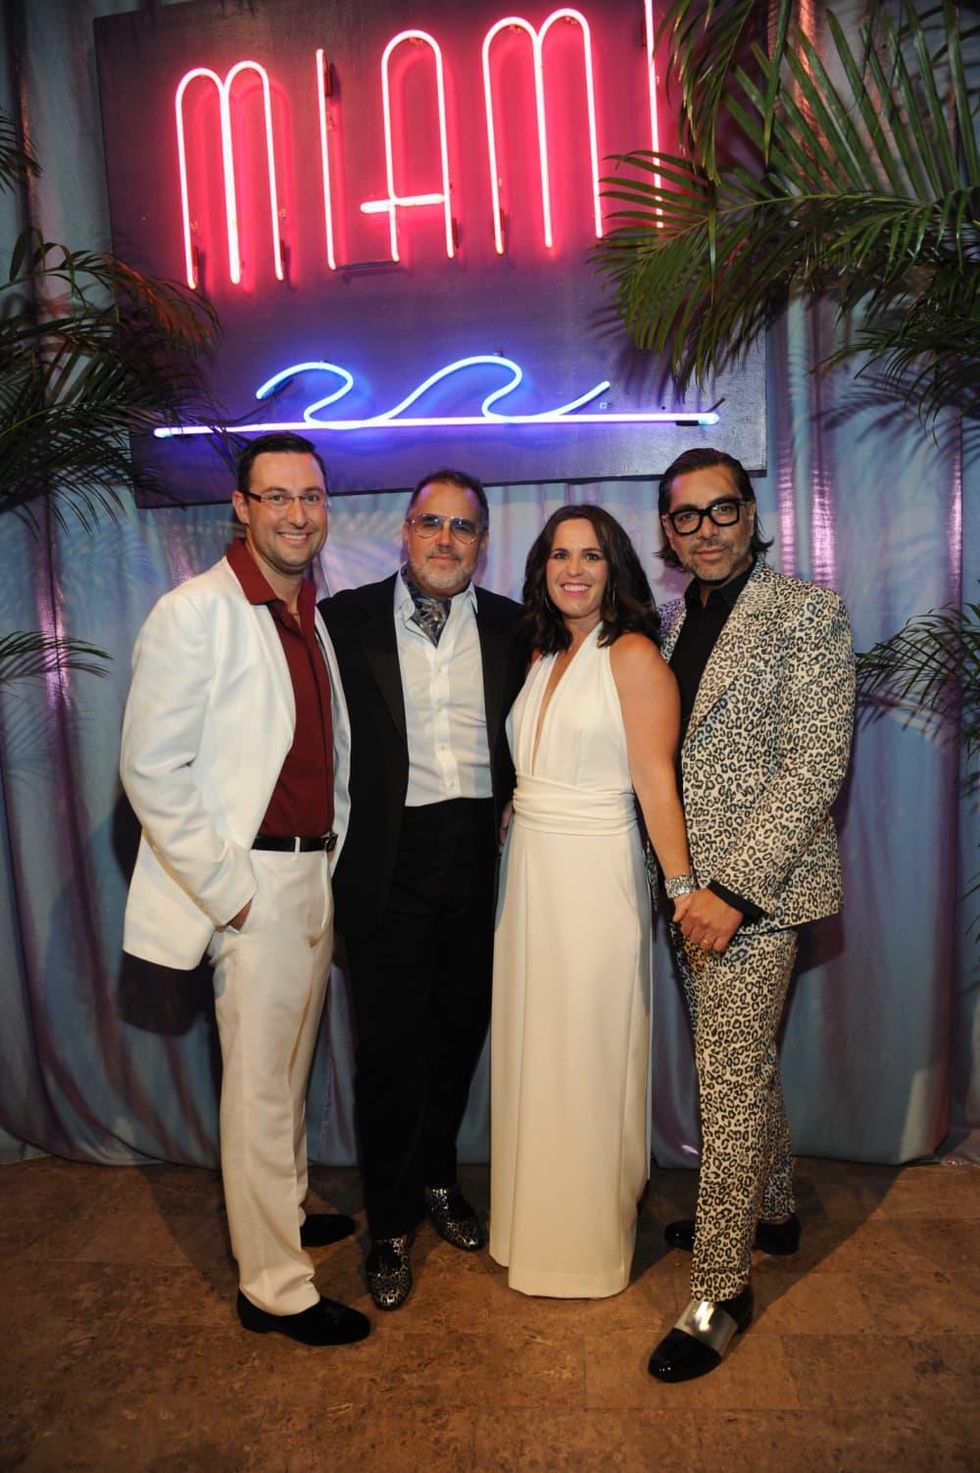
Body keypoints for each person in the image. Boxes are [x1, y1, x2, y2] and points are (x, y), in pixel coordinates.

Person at [120, 431, 369, 1348]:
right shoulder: (197, 611)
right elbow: (150, 769)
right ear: (240, 505)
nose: (297, 514)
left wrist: (318, 866)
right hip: (251, 882)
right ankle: (273, 1287)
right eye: (277, 497)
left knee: (291, 1072)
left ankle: (288, 1208)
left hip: (311, 872)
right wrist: (232, 891)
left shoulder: (307, 612)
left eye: (311, 496)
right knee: (259, 1091)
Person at [648, 447, 854, 1382]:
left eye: (720, 509)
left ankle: (720, 1289)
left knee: (727, 1083)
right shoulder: (663, 625)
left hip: (751, 902)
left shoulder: (807, 613)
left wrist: (733, 893)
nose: (705, 529)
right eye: (685, 516)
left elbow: (815, 763)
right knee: (744, 1063)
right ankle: (769, 1209)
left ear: (751, 511)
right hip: (687, 895)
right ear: (667, 530)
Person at [319, 468, 525, 1310]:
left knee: (458, 1035)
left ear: (482, 541)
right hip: (385, 860)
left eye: (464, 527)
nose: (446, 540)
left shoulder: (519, 626)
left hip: (479, 851)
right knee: (389, 1053)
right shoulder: (343, 621)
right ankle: (392, 1222)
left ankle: (439, 1175)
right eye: (430, 523)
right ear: (405, 532)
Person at [489, 505, 694, 1298]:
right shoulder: (546, 650)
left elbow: (654, 782)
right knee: (536, 1050)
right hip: (532, 877)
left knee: (584, 1054)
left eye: (593, 556)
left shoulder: (633, 654)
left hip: (593, 877)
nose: (574, 569)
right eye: (560, 555)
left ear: (616, 569)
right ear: (543, 566)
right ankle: (529, 1228)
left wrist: (682, 891)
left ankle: (580, 1250)